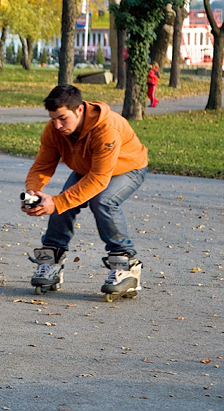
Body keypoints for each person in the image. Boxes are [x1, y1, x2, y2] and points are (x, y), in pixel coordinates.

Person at [21, 85, 148, 299]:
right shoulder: (54, 129)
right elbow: (42, 166)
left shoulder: (106, 127)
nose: (57, 125)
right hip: (89, 169)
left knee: (102, 201)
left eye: (62, 118)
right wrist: (33, 194)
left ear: (79, 110)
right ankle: (51, 261)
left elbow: (99, 180)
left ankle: (125, 265)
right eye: (53, 119)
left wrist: (57, 202)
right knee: (61, 203)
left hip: (128, 167)